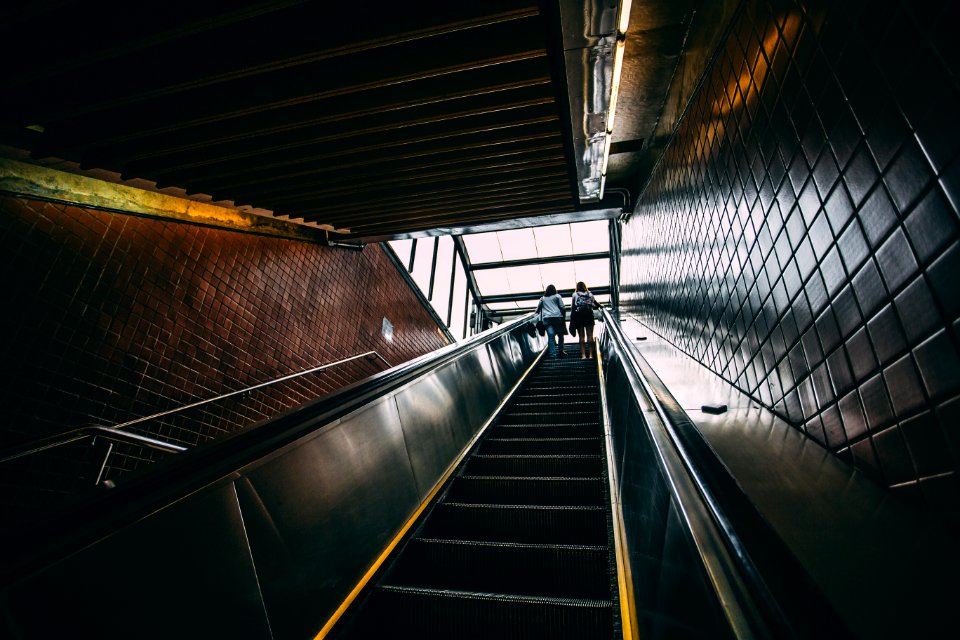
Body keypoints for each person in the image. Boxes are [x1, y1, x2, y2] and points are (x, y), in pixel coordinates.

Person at [536, 284, 567, 358]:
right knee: (560, 335)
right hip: (557, 318)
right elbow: (562, 307)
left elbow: (537, 310)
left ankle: (553, 354)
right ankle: (561, 351)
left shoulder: (542, 299)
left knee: (551, 336)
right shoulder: (557, 296)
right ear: (554, 290)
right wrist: (563, 318)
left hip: (547, 319)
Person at [571, 281, 600, 359]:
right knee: (590, 336)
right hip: (589, 316)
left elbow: (573, 308)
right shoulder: (590, 294)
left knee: (581, 337)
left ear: (577, 287)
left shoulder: (575, 295)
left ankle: (583, 355)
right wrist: (601, 307)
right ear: (585, 286)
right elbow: (594, 305)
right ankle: (591, 355)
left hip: (579, 317)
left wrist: (572, 319)